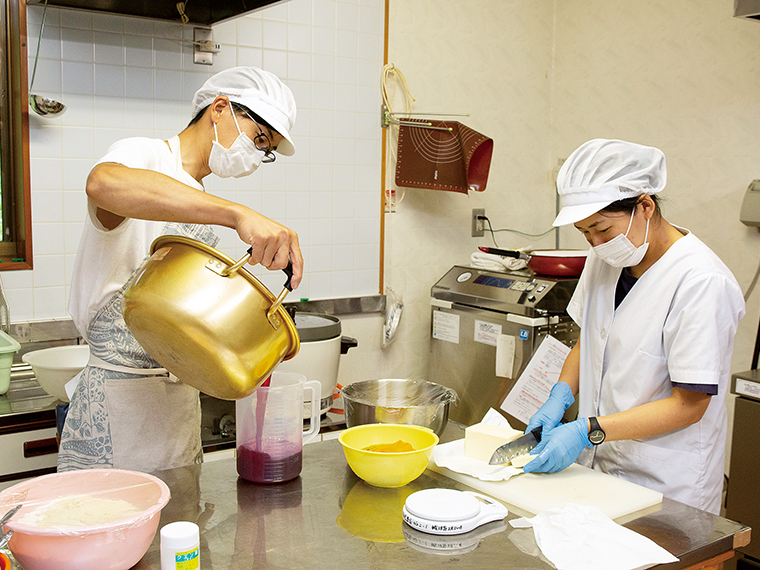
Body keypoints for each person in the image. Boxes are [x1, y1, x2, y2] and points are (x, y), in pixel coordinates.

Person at [59, 66, 302, 472]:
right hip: (116, 408)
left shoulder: (198, 200)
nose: (258, 156)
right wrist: (236, 213)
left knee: (179, 530)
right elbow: (102, 185)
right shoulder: (145, 155)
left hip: (177, 416)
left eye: (266, 150)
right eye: (259, 138)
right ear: (220, 108)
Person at [522, 138, 745, 515]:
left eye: (602, 229)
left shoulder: (701, 282)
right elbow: (588, 340)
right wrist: (560, 394)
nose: (595, 242)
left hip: (665, 483)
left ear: (645, 206)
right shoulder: (604, 257)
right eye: (584, 232)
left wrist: (586, 430)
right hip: (597, 471)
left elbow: (688, 406)